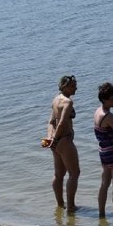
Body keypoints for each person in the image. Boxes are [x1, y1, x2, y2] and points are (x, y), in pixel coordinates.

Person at [47, 74, 80, 213]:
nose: (76, 88)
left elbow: (50, 122)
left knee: (58, 174)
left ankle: (60, 204)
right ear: (64, 86)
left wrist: (50, 139)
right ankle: (71, 207)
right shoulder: (67, 102)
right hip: (64, 140)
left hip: (55, 142)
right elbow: (61, 122)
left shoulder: (55, 100)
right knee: (74, 173)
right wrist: (55, 139)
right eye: (73, 86)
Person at [93, 82, 113, 222]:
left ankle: (101, 214)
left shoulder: (97, 112)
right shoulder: (108, 116)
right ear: (105, 99)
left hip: (104, 153)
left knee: (104, 184)